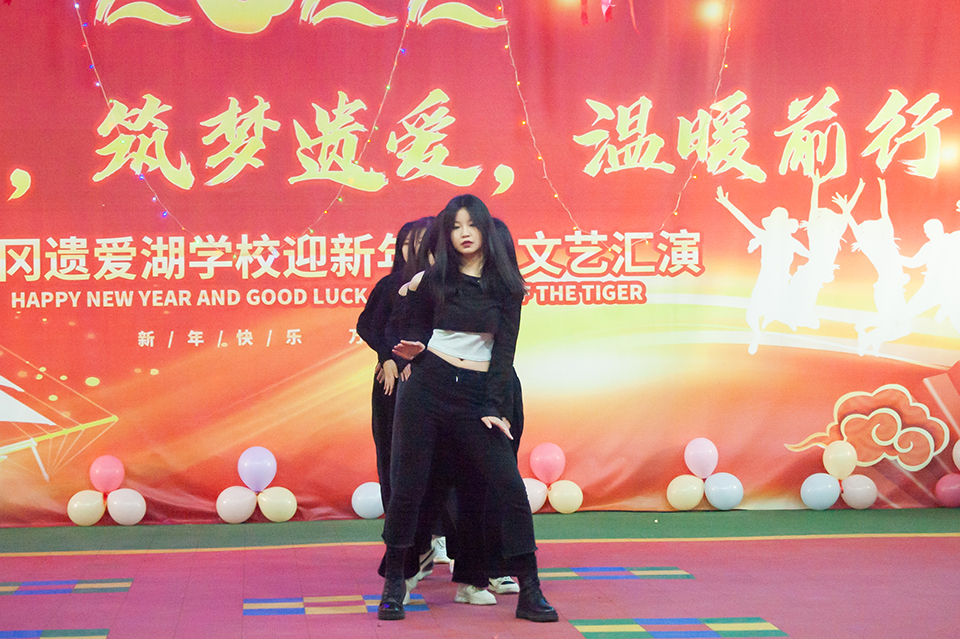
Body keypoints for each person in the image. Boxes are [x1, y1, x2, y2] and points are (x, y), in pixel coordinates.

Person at [378, 194, 558, 623]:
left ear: (484, 230)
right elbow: (406, 323)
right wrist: (413, 345)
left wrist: (495, 405)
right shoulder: (434, 279)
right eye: (455, 226)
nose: (464, 233)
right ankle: (394, 584)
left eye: (471, 225)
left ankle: (530, 589)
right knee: (409, 487)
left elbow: (504, 353)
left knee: (510, 489)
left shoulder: (506, 286)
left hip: (477, 397)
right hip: (428, 389)